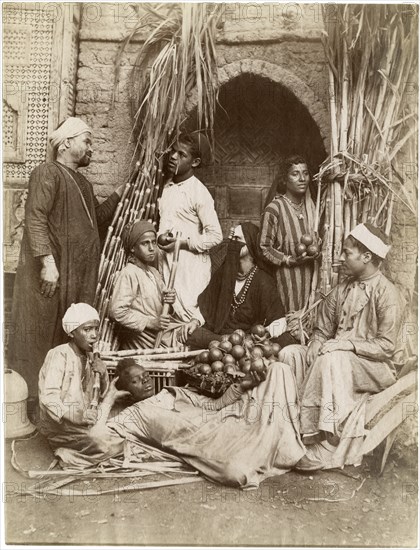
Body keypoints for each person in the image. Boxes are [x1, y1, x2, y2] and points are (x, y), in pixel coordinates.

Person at [8, 117, 124, 403]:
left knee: (67, 335)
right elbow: (35, 216)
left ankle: (60, 403)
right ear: (66, 143)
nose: (91, 149)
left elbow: (95, 220)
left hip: (76, 277)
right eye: (87, 141)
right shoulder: (47, 172)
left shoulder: (82, 183)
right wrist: (48, 262)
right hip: (53, 273)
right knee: (41, 333)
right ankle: (31, 403)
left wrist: (120, 194)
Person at [280, 223, 404, 469]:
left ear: (367, 257)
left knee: (332, 358)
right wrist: (316, 342)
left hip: (375, 368)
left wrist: (346, 344)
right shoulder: (342, 288)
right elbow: (323, 329)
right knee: (290, 354)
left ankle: (327, 441)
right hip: (338, 355)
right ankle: (291, 429)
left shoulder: (387, 294)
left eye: (347, 252)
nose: (341, 257)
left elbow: (387, 347)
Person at [92, 358, 306, 488]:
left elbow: (214, 406)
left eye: (145, 375)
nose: (145, 380)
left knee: (278, 370)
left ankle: (286, 447)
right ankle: (279, 446)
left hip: (224, 424)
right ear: (125, 390)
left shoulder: (173, 393)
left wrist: (246, 384)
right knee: (237, 473)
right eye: (135, 380)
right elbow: (96, 435)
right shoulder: (133, 416)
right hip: (207, 448)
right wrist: (109, 397)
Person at [38, 303, 126, 468]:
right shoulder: (59, 355)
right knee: (108, 442)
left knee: (124, 425)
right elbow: (48, 397)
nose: (94, 335)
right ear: (72, 332)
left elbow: (101, 395)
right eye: (87, 330)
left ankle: (88, 444)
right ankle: (68, 455)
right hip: (61, 426)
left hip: (85, 420)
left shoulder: (92, 358)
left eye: (96, 329)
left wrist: (104, 374)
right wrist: (77, 417)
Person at [187, 222, 298, 351]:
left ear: (250, 244)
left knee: (283, 340)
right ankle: (227, 343)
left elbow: (278, 320)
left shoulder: (263, 280)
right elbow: (206, 305)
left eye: (238, 239)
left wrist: (265, 334)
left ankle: (233, 345)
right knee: (194, 335)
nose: (233, 243)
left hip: (248, 338)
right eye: (232, 239)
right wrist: (194, 321)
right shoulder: (223, 273)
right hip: (220, 335)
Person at [158, 133, 223, 322]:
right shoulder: (167, 187)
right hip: (167, 261)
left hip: (190, 268)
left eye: (181, 154)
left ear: (195, 162)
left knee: (188, 319)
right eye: (173, 151)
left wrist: (182, 243)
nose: (173, 157)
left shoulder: (199, 192)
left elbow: (216, 236)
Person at [109, 220, 200, 348]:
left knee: (207, 338)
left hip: (168, 331)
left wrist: (169, 301)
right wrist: (150, 322)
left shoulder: (153, 272)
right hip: (150, 339)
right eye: (145, 244)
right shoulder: (129, 273)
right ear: (132, 248)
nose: (152, 248)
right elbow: (116, 312)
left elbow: (163, 309)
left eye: (153, 242)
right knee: (208, 342)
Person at [259, 155, 317, 314]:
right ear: (285, 179)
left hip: (312, 274)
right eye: (295, 174)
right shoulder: (275, 208)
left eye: (305, 173)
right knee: (289, 321)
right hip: (286, 277)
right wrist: (289, 260)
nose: (302, 178)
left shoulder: (312, 208)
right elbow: (264, 247)